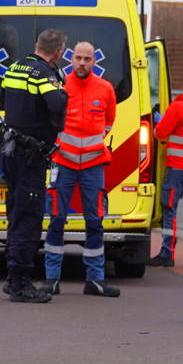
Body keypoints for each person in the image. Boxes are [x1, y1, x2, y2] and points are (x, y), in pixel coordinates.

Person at [44, 40, 120, 297]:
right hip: (63, 163)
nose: (82, 63)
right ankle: (52, 278)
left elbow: (109, 121)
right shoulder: (59, 85)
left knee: (95, 221)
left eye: (87, 59)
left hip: (93, 165)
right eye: (78, 58)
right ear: (71, 59)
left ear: (94, 62)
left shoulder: (106, 89)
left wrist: (92, 145)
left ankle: (95, 279)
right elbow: (50, 119)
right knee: (56, 220)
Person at [0, 29, 69, 303]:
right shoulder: (43, 73)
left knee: (15, 213)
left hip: (11, 148)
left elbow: (3, 100)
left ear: (36, 44)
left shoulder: (15, 67)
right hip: (30, 156)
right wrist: (61, 88)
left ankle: (11, 278)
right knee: (29, 216)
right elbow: (56, 102)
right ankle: (20, 284)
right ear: (59, 52)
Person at [149, 80, 183, 268]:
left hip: (176, 167)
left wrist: (159, 120)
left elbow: (160, 133)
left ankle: (168, 253)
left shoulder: (179, 106)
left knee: (170, 209)